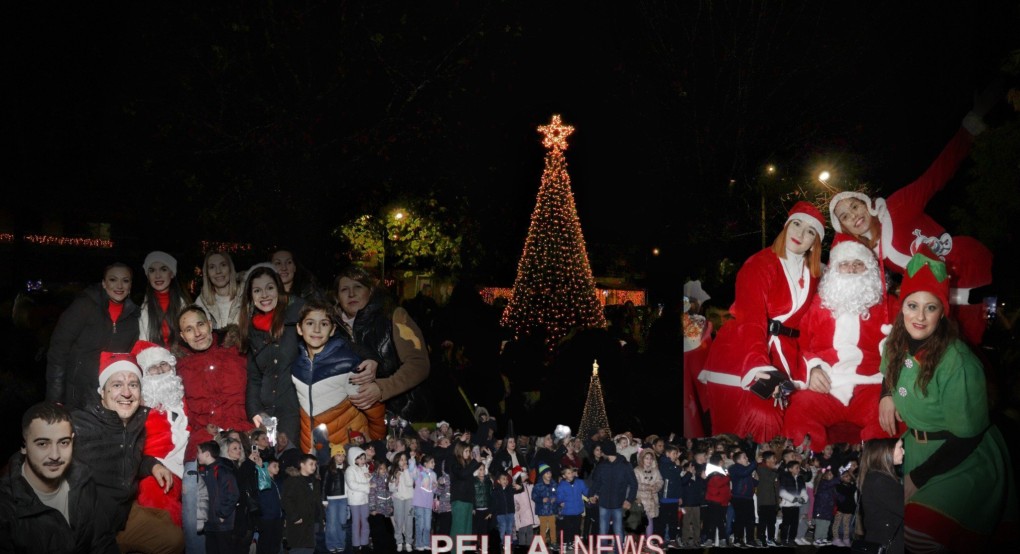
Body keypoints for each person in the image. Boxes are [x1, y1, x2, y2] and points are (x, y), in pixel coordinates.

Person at [828, 89, 999, 345]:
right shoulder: (866, 253)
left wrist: (972, 123)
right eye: (844, 216)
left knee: (988, 335)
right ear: (844, 227)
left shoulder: (896, 208)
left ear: (867, 205)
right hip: (938, 303)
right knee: (961, 354)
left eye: (854, 206)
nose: (853, 215)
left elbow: (935, 176)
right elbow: (840, 270)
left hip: (966, 268)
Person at [879, 249, 1018, 551]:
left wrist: (917, 478)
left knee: (918, 534)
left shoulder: (958, 361)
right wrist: (887, 395)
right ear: (902, 306)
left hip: (961, 457)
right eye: (913, 305)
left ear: (942, 312)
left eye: (931, 308)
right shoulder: (895, 341)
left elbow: (967, 437)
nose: (919, 316)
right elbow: (887, 375)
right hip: (916, 449)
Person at [698, 201, 825, 442]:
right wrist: (759, 367)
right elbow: (750, 319)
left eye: (810, 231)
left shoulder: (815, 276)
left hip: (786, 356)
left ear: (815, 242)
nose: (800, 234)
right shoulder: (759, 264)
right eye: (796, 224)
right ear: (786, 226)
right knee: (758, 420)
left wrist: (815, 364)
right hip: (741, 354)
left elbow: (812, 326)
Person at [783, 233, 903, 448]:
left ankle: (878, 473)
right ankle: (805, 474)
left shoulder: (889, 306)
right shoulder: (817, 305)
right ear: (834, 270)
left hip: (872, 386)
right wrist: (812, 369)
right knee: (798, 410)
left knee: (888, 424)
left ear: (870, 271)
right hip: (827, 385)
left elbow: (903, 350)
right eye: (844, 264)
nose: (851, 269)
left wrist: (891, 392)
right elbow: (799, 343)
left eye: (858, 264)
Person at [71, 352, 183, 553]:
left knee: (173, 539)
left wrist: (152, 465)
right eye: (116, 385)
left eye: (133, 385)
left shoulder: (137, 421)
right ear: (102, 391)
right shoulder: (79, 426)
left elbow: (130, 455)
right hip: (87, 527)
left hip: (121, 516)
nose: (126, 393)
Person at [176, 305, 250, 554]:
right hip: (202, 441)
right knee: (193, 505)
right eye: (188, 329)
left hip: (238, 434)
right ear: (182, 335)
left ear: (209, 323)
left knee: (245, 503)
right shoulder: (179, 364)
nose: (196, 333)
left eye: (199, 324)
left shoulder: (236, 350)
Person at [0, 401, 115, 553]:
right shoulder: (5, 507)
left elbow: (103, 542)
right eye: (42, 444)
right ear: (24, 446)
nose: (55, 455)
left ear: (73, 441)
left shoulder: (84, 480)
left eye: (64, 442)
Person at [333, 265, 431, 422]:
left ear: (370, 291)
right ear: (337, 297)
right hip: (352, 421)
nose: (351, 294)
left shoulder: (393, 316)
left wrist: (382, 388)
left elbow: (419, 364)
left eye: (358, 287)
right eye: (344, 289)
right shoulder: (329, 327)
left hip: (401, 416)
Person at [292, 300, 386, 454]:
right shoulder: (296, 368)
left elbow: (375, 411)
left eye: (324, 324)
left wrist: (375, 447)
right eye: (310, 323)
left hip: (348, 453)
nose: (316, 329)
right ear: (299, 328)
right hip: (313, 454)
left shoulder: (348, 364)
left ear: (333, 329)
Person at [46, 262, 140, 410]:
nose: (119, 286)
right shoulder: (84, 306)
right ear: (103, 283)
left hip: (112, 398)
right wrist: (55, 397)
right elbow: (58, 351)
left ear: (130, 285)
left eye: (125, 280)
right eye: (113, 280)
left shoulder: (135, 317)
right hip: (77, 396)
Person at [239, 264, 304, 445]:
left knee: (290, 459)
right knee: (270, 462)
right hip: (266, 412)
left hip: (293, 410)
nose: (264, 295)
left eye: (270, 288)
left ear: (279, 289)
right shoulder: (252, 329)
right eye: (257, 290)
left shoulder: (296, 320)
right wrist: (254, 411)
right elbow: (254, 377)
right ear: (251, 296)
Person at [133, 340, 190, 528]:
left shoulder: (184, 398)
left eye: (164, 364)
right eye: (153, 368)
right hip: (157, 465)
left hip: (189, 462)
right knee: (154, 494)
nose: (160, 370)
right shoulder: (138, 405)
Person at [588, 441, 638, 552]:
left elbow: (634, 484)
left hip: (619, 504)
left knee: (618, 530)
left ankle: (618, 551)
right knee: (603, 530)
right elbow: (597, 482)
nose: (600, 453)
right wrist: (592, 495)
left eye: (602, 450)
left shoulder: (625, 465)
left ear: (606, 451)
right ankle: (603, 551)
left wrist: (629, 500)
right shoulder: (602, 465)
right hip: (603, 503)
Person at [857, 439, 904, 554]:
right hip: (888, 545)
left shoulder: (878, 477)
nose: (903, 452)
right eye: (900, 447)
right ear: (886, 451)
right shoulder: (880, 481)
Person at [138, 251, 192, 348]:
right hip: (154, 360)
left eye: (163, 269)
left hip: (183, 359)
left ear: (171, 274)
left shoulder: (185, 305)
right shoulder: (142, 308)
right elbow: (143, 345)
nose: (157, 275)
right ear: (147, 276)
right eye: (152, 270)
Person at [197, 440, 239, 554]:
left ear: (207, 454)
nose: (197, 455)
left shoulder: (223, 471)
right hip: (209, 523)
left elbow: (233, 494)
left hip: (222, 525)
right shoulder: (203, 471)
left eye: (199, 452)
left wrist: (222, 514)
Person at [281, 454, 323, 554]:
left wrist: (322, 516)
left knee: (310, 548)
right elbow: (286, 500)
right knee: (299, 548)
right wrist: (294, 517)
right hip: (300, 521)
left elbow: (317, 500)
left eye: (315, 464)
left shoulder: (315, 481)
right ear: (302, 465)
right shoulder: (293, 481)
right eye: (311, 464)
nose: (314, 467)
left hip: (313, 521)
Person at [194, 251, 243, 330]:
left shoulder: (247, 297)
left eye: (223, 265)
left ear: (230, 269)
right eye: (212, 267)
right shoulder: (201, 302)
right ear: (207, 273)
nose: (218, 271)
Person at [450, 441, 482, 537]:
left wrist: (473, 504)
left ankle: (465, 549)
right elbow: (462, 474)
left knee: (467, 530)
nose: (469, 454)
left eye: (469, 451)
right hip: (460, 500)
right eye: (466, 451)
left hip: (468, 501)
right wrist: (475, 462)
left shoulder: (467, 465)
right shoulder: (454, 462)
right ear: (460, 451)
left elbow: (470, 483)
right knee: (459, 529)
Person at [345, 446, 373, 552]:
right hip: (355, 501)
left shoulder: (364, 469)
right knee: (356, 522)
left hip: (364, 499)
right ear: (354, 459)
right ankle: (356, 544)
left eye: (363, 458)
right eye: (360, 458)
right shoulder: (350, 470)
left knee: (365, 521)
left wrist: (368, 477)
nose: (363, 461)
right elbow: (352, 485)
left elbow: (368, 481)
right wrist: (367, 487)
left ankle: (364, 542)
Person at [323, 444, 349, 554]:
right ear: (333, 456)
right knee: (332, 523)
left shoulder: (347, 469)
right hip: (332, 499)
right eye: (338, 455)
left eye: (342, 455)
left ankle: (340, 544)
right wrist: (324, 499)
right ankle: (331, 543)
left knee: (342, 523)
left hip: (344, 499)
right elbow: (324, 485)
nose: (341, 457)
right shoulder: (328, 470)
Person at [778, 459, 808, 546]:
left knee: (795, 523)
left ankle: (791, 539)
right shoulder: (785, 477)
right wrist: (793, 499)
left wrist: (804, 498)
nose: (799, 470)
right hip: (787, 505)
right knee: (786, 523)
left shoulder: (800, 478)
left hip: (796, 505)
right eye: (797, 468)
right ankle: (783, 539)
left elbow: (803, 490)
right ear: (790, 469)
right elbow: (782, 491)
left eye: (799, 468)